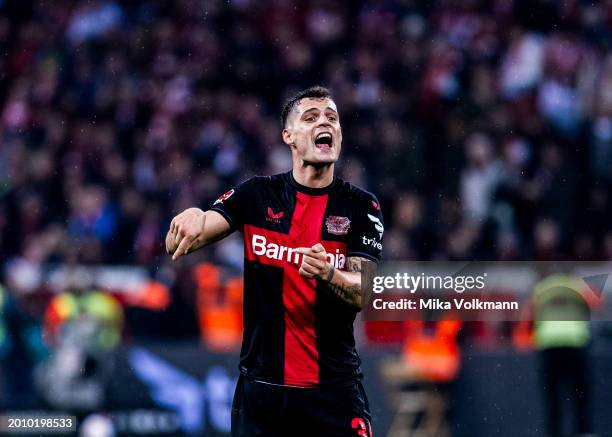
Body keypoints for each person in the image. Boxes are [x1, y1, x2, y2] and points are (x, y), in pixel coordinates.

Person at [165, 86, 384, 437]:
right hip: (262, 395)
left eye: (331, 118)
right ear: (289, 137)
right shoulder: (256, 195)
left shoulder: (361, 206)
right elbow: (182, 240)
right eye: (310, 118)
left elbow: (363, 292)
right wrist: (192, 214)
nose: (323, 123)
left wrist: (328, 273)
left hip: (332, 392)